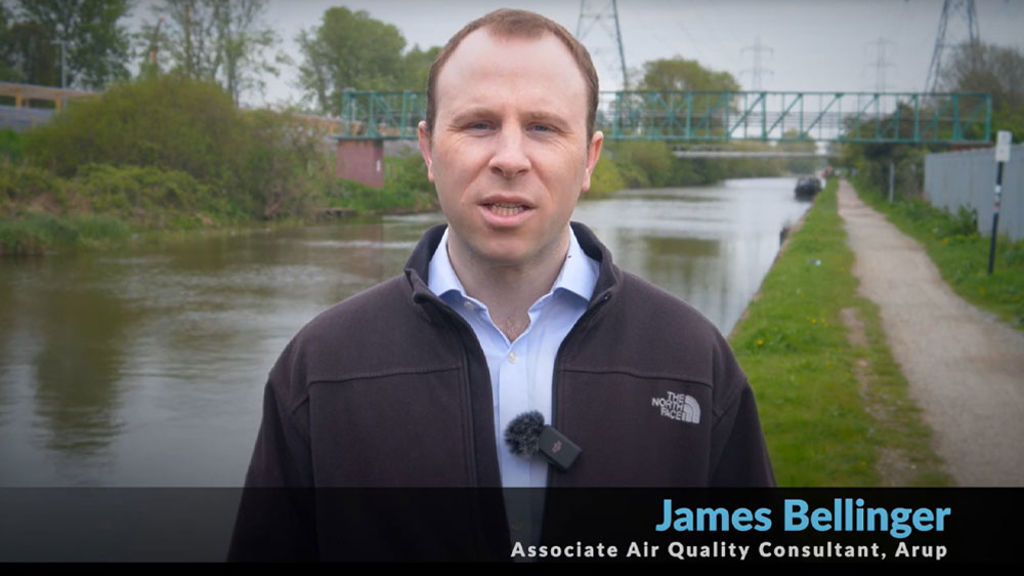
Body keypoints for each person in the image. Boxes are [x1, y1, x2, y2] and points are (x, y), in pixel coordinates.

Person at [229, 8, 773, 562]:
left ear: (589, 157)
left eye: (543, 127)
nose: (510, 159)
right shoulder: (321, 366)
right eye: (478, 124)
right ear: (427, 150)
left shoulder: (692, 360)